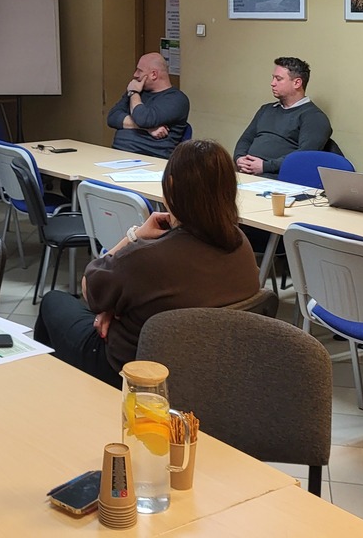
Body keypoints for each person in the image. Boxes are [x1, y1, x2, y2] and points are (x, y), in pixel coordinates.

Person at [33, 140, 260, 385]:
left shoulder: (146, 257)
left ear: (170, 186)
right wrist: (115, 307)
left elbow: (90, 289)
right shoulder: (241, 244)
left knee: (53, 302)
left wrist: (134, 235)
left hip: (131, 372)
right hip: (207, 373)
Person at [232, 56, 332, 176]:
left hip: (276, 177)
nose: (272, 83)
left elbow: (303, 157)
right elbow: (245, 139)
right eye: (273, 78)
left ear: (297, 83)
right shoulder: (266, 109)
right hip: (245, 172)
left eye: (278, 79)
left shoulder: (314, 117)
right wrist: (240, 158)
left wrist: (265, 166)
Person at [106, 52, 190, 158]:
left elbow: (143, 119)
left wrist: (134, 93)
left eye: (139, 71)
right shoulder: (138, 91)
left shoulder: (176, 99)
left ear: (154, 74)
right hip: (118, 155)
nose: (135, 75)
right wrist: (148, 129)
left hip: (151, 159)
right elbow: (112, 117)